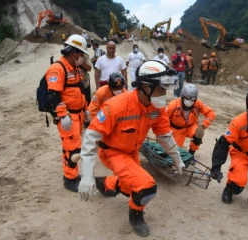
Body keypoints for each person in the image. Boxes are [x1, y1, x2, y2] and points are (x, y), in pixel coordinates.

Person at [78, 60, 185, 237]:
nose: (164, 94)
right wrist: (86, 175)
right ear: (145, 86)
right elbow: (91, 138)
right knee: (145, 187)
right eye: (161, 89)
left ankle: (105, 183)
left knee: (130, 188)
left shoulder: (156, 108)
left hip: (131, 152)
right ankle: (136, 215)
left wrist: (178, 159)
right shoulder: (117, 106)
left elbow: (164, 135)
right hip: (112, 151)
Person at [45, 34, 90, 192]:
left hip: (77, 115)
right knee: (72, 149)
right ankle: (70, 179)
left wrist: (86, 109)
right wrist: (63, 115)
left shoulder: (75, 69)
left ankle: (73, 174)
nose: (83, 58)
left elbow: (79, 91)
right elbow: (53, 94)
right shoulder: (58, 69)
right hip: (68, 117)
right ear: (74, 53)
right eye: (82, 54)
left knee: (74, 147)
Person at [167, 83, 216, 158]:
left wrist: (203, 126)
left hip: (191, 126)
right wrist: (165, 132)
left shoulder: (198, 103)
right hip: (176, 129)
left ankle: (191, 154)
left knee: (198, 135)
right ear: (182, 96)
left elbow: (211, 113)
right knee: (173, 152)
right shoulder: (173, 105)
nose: (190, 102)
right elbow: (163, 119)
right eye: (187, 99)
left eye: (192, 100)